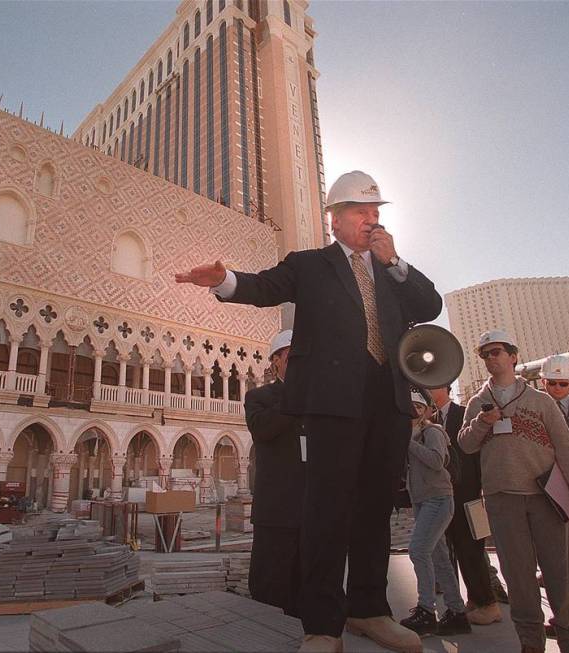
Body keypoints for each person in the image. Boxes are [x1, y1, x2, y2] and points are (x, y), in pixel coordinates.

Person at [176, 170, 442, 653]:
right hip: (332, 406)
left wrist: (396, 261)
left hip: (386, 405)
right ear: (335, 219)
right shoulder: (311, 265)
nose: (372, 220)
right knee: (326, 512)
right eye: (362, 211)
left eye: (376, 212)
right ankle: (323, 624)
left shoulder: (391, 271)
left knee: (372, 511)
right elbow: (264, 286)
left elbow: (430, 305)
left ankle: (369, 610)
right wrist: (225, 281)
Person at [459, 330, 569, 653]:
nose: (490, 358)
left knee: (559, 571)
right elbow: (465, 445)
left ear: (513, 356)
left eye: (496, 351)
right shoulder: (476, 403)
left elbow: (567, 450)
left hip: (545, 496)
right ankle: (530, 641)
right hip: (501, 498)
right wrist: (483, 422)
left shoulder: (541, 401)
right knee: (518, 574)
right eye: (485, 354)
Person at [244, 329, 305, 618]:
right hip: (277, 509)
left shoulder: (319, 397)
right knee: (271, 584)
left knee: (306, 584)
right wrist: (296, 396)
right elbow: (263, 429)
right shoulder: (258, 397)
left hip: (311, 507)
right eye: (291, 356)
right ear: (276, 362)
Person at [429, 384, 503, 624]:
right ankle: (473, 600)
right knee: (454, 548)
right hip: (444, 495)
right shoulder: (428, 420)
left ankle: (487, 603)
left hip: (470, 494)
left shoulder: (464, 414)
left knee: (472, 549)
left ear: (446, 387)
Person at [400, 391, 470, 636]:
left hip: (438, 498)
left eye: (418, 407)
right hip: (422, 501)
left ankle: (426, 610)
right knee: (439, 557)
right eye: (409, 407)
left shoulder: (433, 432)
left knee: (418, 551)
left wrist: (407, 443)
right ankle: (456, 612)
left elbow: (436, 460)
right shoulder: (411, 434)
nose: (413, 411)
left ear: (427, 411)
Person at [539, 354, 569, 636]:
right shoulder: (535, 409)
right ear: (543, 382)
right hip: (550, 491)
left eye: (563, 384)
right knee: (558, 560)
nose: (557, 389)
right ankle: (566, 618)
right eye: (552, 384)